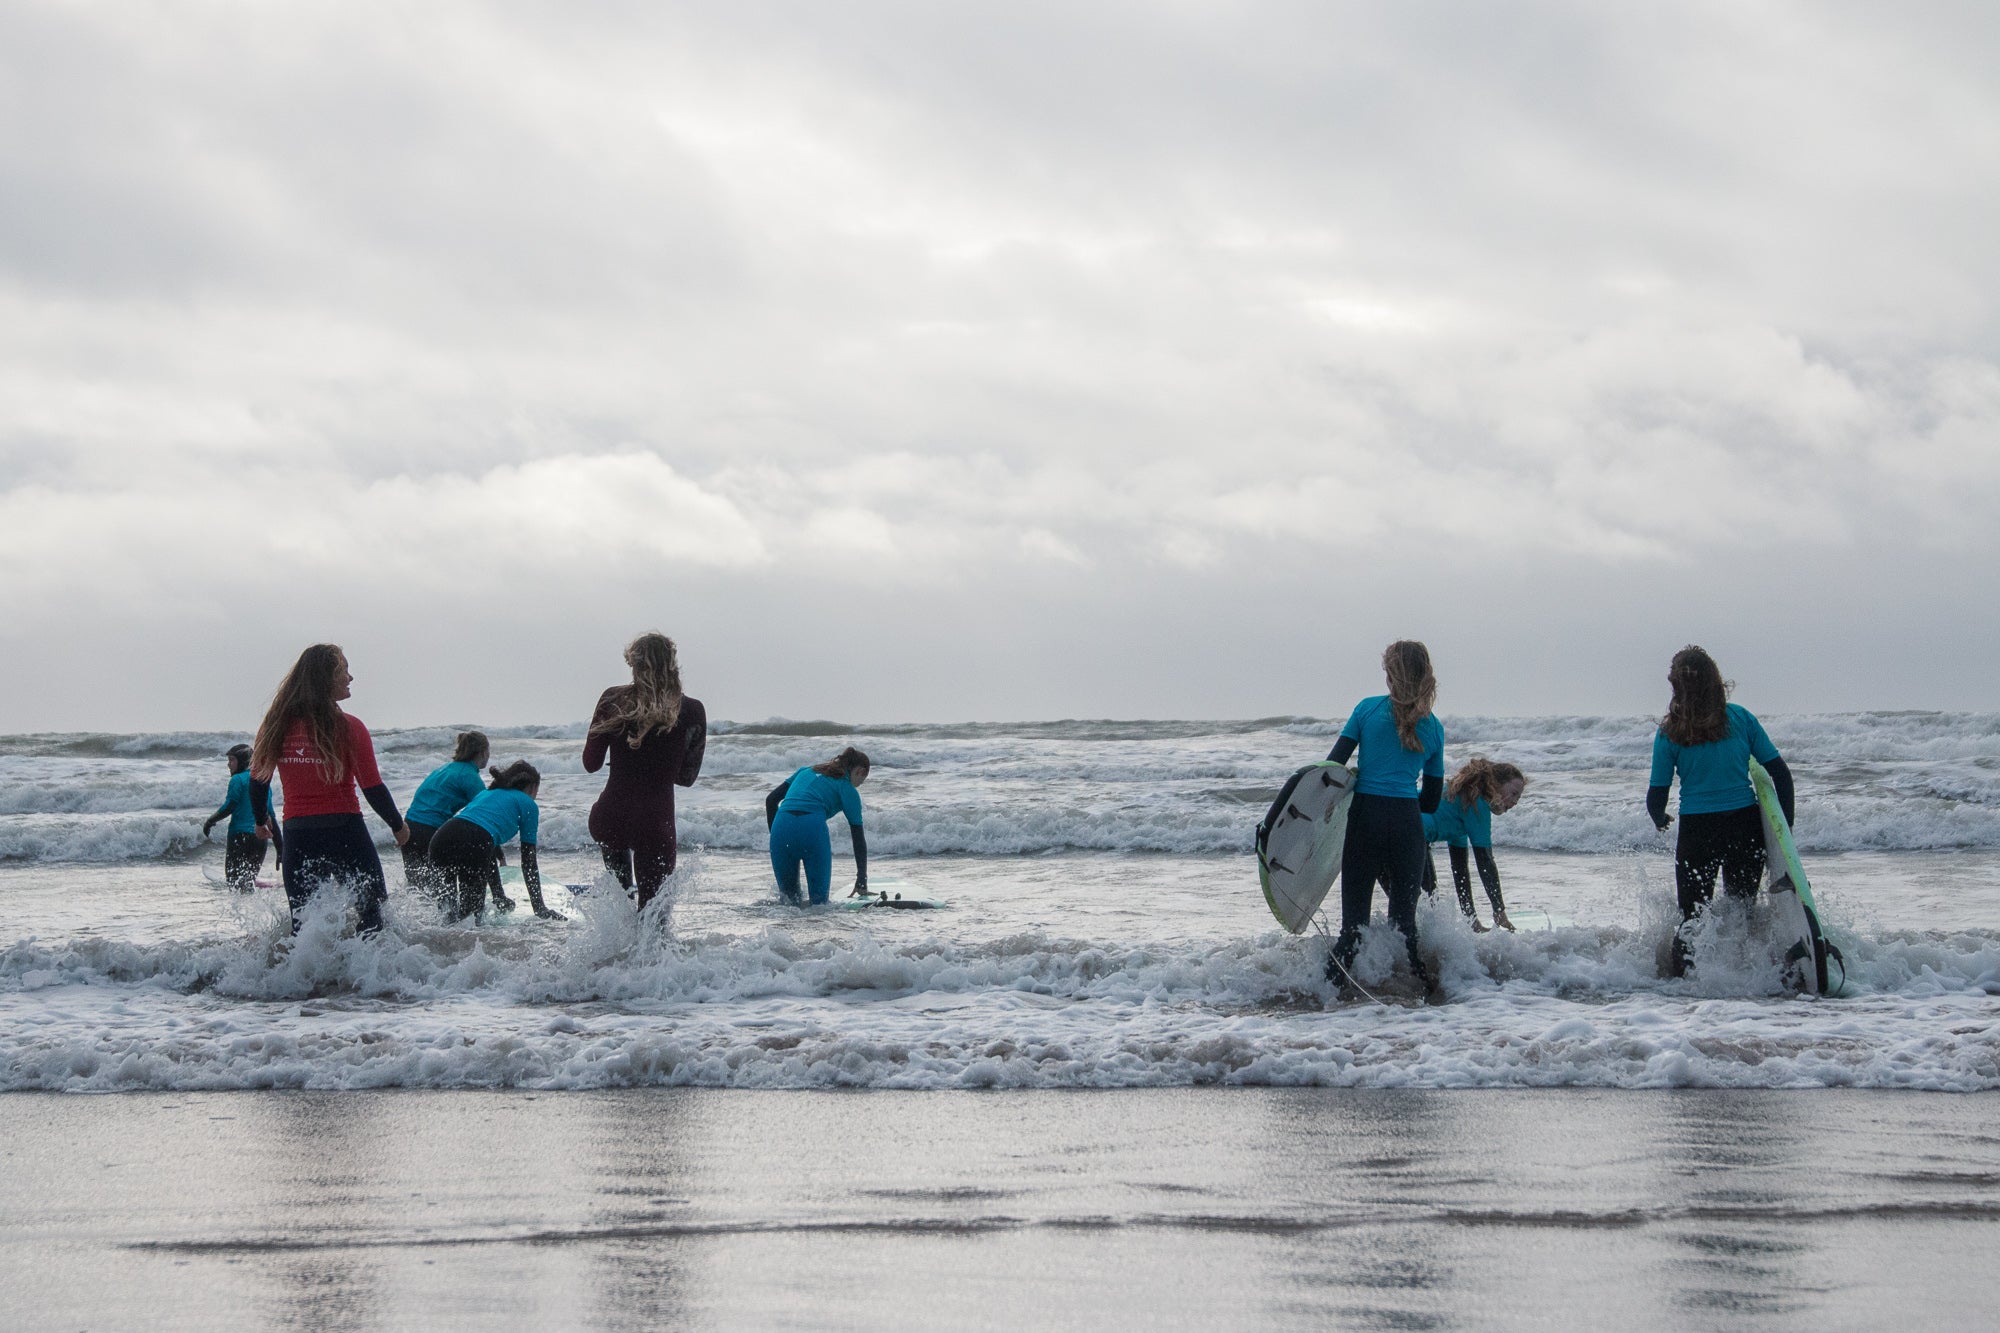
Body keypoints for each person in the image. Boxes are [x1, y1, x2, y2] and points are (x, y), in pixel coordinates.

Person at [1646, 645, 1794, 978]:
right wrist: (1786, 833)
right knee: (1741, 910)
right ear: (1716, 680)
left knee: (1692, 916)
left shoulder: (1670, 732)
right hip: (1744, 826)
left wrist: (1660, 818)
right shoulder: (1740, 718)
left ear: (1675, 685)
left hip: (1698, 831)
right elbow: (1781, 775)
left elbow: (1656, 795)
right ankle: (1744, 976)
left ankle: (1679, 985)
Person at [248, 644, 410, 934]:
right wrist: (398, 826)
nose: (350, 677)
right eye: (343, 671)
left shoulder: (275, 726)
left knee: (305, 924)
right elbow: (372, 786)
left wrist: (261, 822)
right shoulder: (349, 727)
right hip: (345, 831)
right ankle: (367, 977)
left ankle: (306, 977)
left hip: (299, 835)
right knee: (373, 913)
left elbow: (258, 782)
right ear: (326, 678)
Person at [1324, 640, 1445, 996]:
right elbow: (1432, 801)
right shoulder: (1434, 728)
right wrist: (1403, 800)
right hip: (1409, 825)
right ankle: (1430, 997)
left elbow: (1332, 768)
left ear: (1391, 676)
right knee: (1405, 925)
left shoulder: (1366, 710)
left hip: (1366, 820)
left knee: (1353, 929)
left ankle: (1323, 996)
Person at [582, 633, 707, 911]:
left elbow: (590, 763)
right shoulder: (692, 709)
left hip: (609, 817)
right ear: (672, 665)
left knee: (620, 905)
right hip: (655, 823)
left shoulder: (612, 698)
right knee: (653, 918)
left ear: (633, 665)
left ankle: (612, 954)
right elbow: (686, 779)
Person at [428, 761, 563, 922]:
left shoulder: (486, 794)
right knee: (470, 919)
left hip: (441, 838)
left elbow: (487, 850)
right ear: (532, 787)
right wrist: (540, 908)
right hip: (474, 842)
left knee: (447, 914)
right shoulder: (528, 804)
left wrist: (499, 896)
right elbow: (528, 862)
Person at [1422, 758, 1525, 932]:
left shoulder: (1464, 799)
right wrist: (1499, 911)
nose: (1515, 802)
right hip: (1411, 832)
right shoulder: (1478, 804)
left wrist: (1471, 919)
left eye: (1519, 797)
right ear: (1496, 784)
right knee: (1428, 899)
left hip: (1405, 828)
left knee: (1429, 899)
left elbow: (1460, 868)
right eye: (1514, 793)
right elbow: (1485, 861)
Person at [764, 747, 870, 905]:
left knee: (788, 903)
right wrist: (862, 880)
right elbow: (858, 838)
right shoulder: (847, 789)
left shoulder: (805, 771)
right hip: (811, 829)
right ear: (860, 771)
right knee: (819, 905)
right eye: (863, 780)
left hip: (781, 827)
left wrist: (777, 839)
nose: (860, 784)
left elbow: (771, 800)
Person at [402, 731, 491, 896]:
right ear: (482, 752)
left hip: (408, 829)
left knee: (418, 889)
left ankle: (416, 921)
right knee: (444, 890)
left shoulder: (444, 769)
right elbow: (486, 816)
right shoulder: (469, 776)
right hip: (429, 832)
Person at [203, 743, 276, 892]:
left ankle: (238, 915)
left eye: (231, 760)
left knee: (234, 884)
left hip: (240, 837)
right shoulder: (262, 780)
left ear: (242, 761)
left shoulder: (237, 780)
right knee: (248, 884)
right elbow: (271, 815)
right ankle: (252, 914)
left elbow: (230, 805)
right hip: (260, 840)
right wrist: (280, 846)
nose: (228, 765)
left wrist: (210, 821)